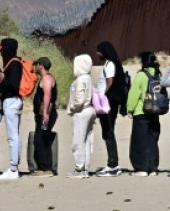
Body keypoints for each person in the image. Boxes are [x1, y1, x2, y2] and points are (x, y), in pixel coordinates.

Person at [126, 51, 161, 176]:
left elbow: (134, 95)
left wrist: (130, 109)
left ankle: (141, 168)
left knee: (139, 141)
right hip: (154, 111)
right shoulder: (157, 74)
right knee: (152, 140)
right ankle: (153, 167)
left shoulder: (141, 75)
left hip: (141, 111)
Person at [95, 41, 127, 177]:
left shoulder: (110, 65)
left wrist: (103, 99)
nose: (97, 53)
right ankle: (112, 163)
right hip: (109, 102)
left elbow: (110, 83)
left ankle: (113, 165)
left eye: (99, 51)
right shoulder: (111, 63)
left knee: (108, 132)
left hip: (108, 103)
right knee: (107, 132)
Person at [0, 38, 23, 180]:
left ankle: (13, 169)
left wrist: (2, 80)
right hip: (14, 102)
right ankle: (14, 167)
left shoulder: (13, 65)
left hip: (12, 101)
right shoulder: (14, 63)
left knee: (13, 136)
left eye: (2, 49)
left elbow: (13, 85)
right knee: (15, 135)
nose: (0, 52)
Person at [67, 54, 96, 178]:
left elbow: (79, 99)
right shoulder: (88, 77)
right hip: (90, 110)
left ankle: (79, 168)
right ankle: (85, 167)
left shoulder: (81, 79)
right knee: (87, 140)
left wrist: (72, 108)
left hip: (81, 111)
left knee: (78, 141)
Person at [31, 56, 57, 177]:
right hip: (45, 114)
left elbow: (47, 95)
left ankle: (45, 168)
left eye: (36, 64)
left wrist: (45, 113)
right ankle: (45, 167)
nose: (35, 66)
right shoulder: (46, 78)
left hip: (46, 114)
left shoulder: (46, 78)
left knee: (40, 139)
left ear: (41, 65)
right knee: (42, 138)